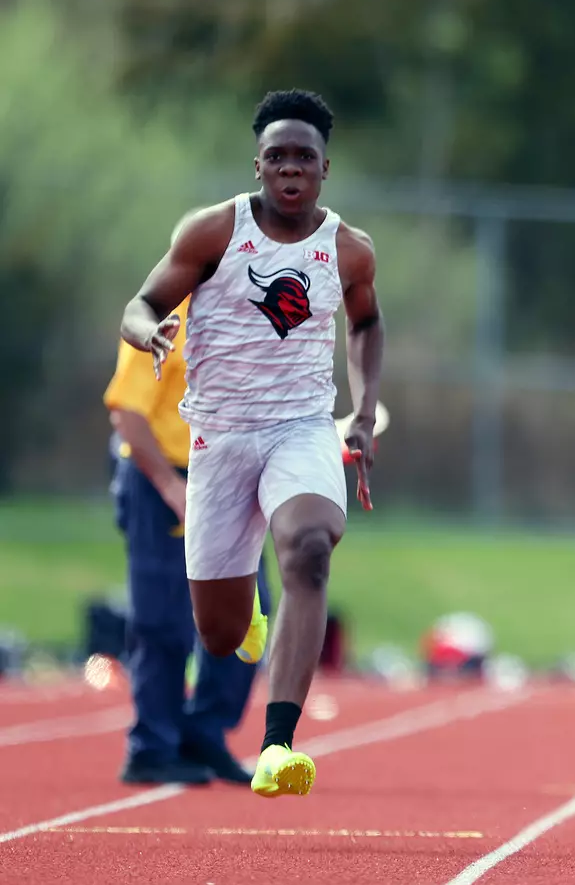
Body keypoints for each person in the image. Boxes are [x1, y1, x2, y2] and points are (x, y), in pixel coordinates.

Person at [119, 89, 383, 799]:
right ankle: (249, 613)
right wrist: (152, 332)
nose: (290, 168)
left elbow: (363, 326)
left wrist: (363, 410)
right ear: (258, 165)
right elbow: (139, 305)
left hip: (300, 428)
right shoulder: (214, 232)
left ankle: (277, 745)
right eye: (277, 157)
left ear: (325, 167)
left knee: (308, 549)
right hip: (221, 440)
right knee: (218, 633)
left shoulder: (349, 249)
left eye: (304, 157)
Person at [104, 283, 267, 786]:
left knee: (250, 616)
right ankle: (153, 744)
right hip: (162, 482)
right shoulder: (164, 320)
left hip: (225, 478)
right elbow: (127, 415)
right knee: (163, 618)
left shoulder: (250, 319)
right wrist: (173, 488)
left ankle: (204, 731)